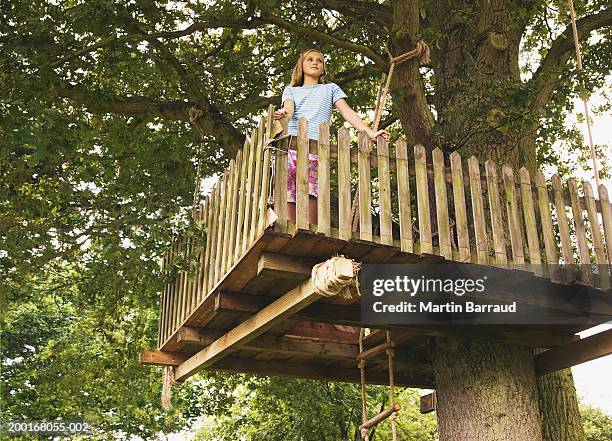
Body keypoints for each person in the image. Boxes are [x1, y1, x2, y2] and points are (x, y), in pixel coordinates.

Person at [274, 48, 390, 225]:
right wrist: (283, 112)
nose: (315, 62)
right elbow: (289, 109)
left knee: (312, 190)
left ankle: (309, 231)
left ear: (323, 70)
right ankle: (288, 228)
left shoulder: (331, 89)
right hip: (292, 147)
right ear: (301, 66)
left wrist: (369, 132)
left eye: (319, 61)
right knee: (289, 191)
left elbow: (347, 112)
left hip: (315, 149)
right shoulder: (291, 91)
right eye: (310, 59)